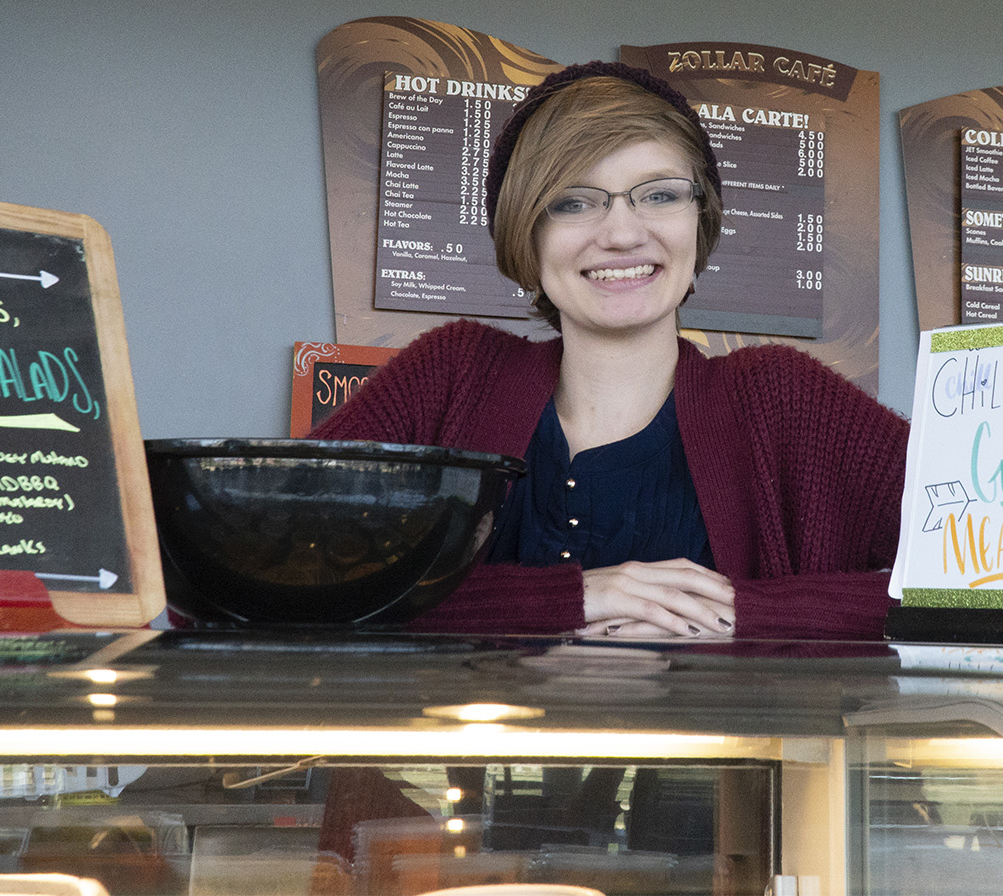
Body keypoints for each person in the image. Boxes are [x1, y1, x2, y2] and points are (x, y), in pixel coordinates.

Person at [312, 61, 907, 639]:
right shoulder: (450, 374)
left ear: (699, 220)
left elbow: (992, 580)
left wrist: (740, 612)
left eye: (660, 195)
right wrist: (567, 600)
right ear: (527, 233)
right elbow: (279, 568)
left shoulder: (788, 399)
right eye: (573, 202)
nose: (622, 234)